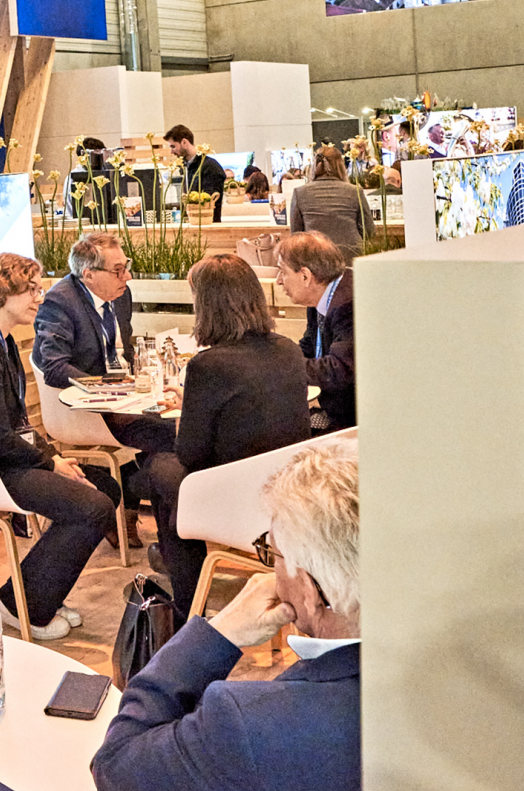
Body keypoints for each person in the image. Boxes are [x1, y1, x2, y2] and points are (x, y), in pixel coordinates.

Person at [90, 436, 362, 791]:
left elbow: (115, 763)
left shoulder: (247, 724)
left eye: (272, 552)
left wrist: (217, 635)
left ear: (309, 591)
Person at [0, 252, 118, 640]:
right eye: (31, 290)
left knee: (106, 487)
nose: (40, 297)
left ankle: (38, 591)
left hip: (0, 459)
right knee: (93, 506)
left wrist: (54, 457)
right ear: (4, 292)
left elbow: (16, 427)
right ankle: (21, 607)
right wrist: (50, 464)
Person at [154, 254, 310, 621]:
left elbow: (191, 454)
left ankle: (187, 605)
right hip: (287, 490)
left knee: (160, 471)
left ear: (206, 306)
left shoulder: (208, 365)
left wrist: (188, 411)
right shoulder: (288, 349)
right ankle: (177, 567)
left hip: (241, 500)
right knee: (171, 484)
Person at [31, 232, 184, 552]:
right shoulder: (59, 303)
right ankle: (166, 539)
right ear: (88, 274)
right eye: (118, 270)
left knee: (180, 423)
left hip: (125, 395)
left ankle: (139, 513)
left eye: (126, 266)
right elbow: (55, 368)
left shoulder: (120, 295)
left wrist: (142, 379)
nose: (127, 276)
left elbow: (123, 350)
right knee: (167, 436)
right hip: (84, 406)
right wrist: (111, 388)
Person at [276, 232, 355, 432]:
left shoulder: (348, 304)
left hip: (354, 422)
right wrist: (276, 357)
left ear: (305, 276)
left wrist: (280, 367)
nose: (278, 281)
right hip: (335, 411)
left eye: (282, 272)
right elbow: (309, 346)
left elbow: (339, 370)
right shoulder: (321, 296)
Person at [287, 145, 372, 256]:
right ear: (340, 166)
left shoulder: (300, 192)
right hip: (351, 256)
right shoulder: (355, 191)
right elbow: (369, 230)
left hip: (315, 256)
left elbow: (296, 235)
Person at [165, 125, 225, 223]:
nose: (172, 152)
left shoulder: (210, 167)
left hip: (206, 224)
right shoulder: (184, 167)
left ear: (184, 142)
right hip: (191, 223)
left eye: (173, 146)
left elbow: (208, 201)